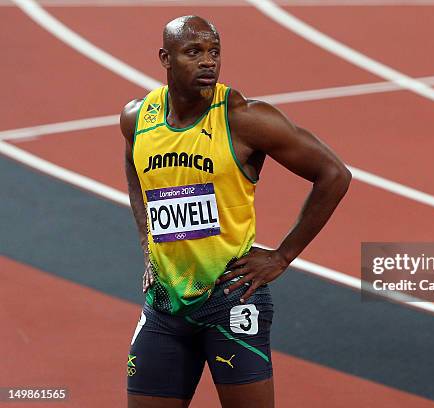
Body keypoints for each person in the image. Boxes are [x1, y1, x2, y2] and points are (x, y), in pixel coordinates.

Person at [120, 15, 351, 408]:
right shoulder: (138, 118)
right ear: (166, 58)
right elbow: (134, 168)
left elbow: (334, 174)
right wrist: (148, 244)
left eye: (214, 52)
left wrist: (282, 256)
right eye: (193, 52)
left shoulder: (243, 119)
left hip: (231, 300)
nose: (208, 61)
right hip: (165, 303)